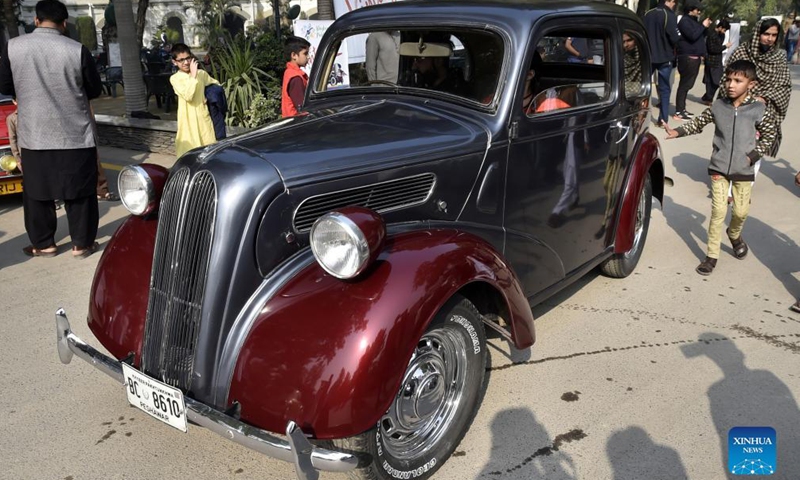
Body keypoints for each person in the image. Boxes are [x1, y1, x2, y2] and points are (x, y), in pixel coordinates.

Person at [0, 0, 103, 258]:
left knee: (37, 193)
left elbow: (5, 86)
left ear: (36, 20)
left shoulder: (13, 47)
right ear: (64, 23)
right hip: (75, 135)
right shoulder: (77, 49)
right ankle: (82, 244)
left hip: (35, 134)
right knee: (80, 191)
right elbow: (94, 89)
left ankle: (44, 244)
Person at [664, 60, 777, 276]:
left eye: (738, 80)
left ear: (751, 84)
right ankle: (711, 256)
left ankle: (734, 234)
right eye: (728, 79)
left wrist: (752, 157)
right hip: (719, 167)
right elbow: (698, 123)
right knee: (718, 211)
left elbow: (769, 135)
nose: (731, 84)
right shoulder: (718, 106)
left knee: (741, 212)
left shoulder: (758, 108)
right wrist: (678, 132)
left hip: (744, 169)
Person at [719, 18, 790, 158]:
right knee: (731, 147)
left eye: (774, 35)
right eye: (766, 34)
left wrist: (764, 98)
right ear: (758, 33)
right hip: (738, 109)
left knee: (754, 152)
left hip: (763, 111)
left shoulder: (779, 58)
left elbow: (784, 86)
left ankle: (746, 178)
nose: (770, 39)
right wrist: (745, 97)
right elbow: (725, 81)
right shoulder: (742, 52)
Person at [169, 43, 220, 157]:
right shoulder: (175, 79)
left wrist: (209, 95)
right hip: (187, 124)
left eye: (188, 58)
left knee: (210, 154)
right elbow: (188, 95)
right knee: (189, 157)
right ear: (174, 62)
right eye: (181, 60)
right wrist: (193, 75)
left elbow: (216, 85)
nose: (186, 62)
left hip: (203, 120)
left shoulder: (201, 74)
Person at [644, 0, 680, 127]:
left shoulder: (648, 14)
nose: (674, 4)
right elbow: (675, 37)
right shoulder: (668, 15)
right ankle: (662, 120)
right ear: (668, 1)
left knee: (644, 88)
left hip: (648, 57)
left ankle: (640, 115)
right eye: (673, 1)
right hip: (665, 57)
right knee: (665, 90)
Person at [674, 0, 711, 120]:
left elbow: (700, 35)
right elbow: (693, 36)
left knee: (688, 84)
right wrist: (703, 26)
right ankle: (679, 111)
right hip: (688, 57)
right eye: (697, 10)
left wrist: (705, 28)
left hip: (695, 56)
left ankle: (682, 109)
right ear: (690, 10)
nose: (699, 12)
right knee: (684, 85)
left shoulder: (693, 21)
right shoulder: (685, 21)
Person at [701, 19, 730, 105]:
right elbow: (713, 49)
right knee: (712, 81)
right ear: (720, 27)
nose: (724, 32)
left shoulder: (720, 35)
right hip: (711, 61)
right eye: (724, 30)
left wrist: (722, 36)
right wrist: (725, 46)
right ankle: (708, 98)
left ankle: (707, 97)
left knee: (717, 81)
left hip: (717, 61)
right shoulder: (712, 35)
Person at [282, 36, 311, 118]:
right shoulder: (296, 78)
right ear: (294, 55)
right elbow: (302, 110)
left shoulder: (289, 72)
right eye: (305, 53)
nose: (308, 57)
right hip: (296, 124)